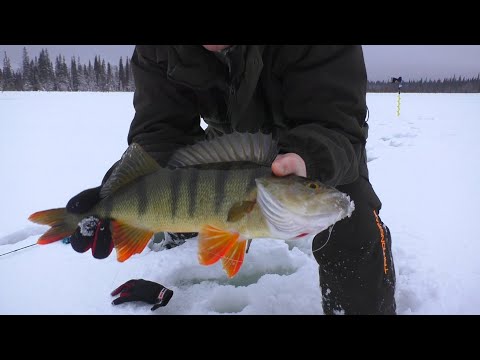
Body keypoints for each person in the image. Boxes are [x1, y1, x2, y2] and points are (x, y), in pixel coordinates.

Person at [66, 45, 396, 315]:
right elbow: (161, 132)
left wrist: (309, 160)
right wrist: (120, 187)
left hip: (317, 145)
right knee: (186, 202)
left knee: (351, 218)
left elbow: (339, 127)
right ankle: (185, 229)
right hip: (233, 150)